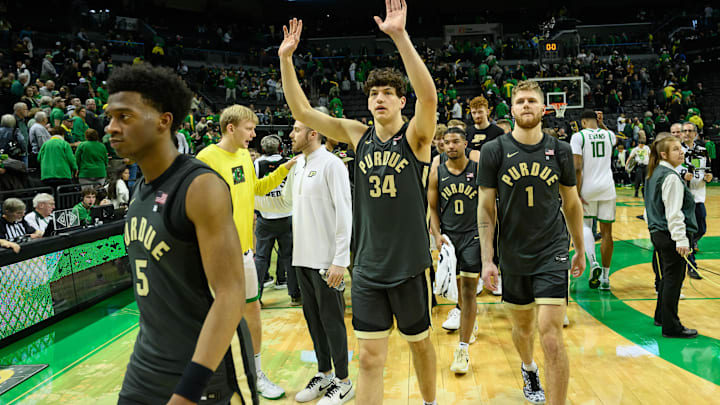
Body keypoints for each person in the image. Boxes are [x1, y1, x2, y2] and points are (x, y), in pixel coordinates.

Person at [278, 1, 439, 402]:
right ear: (366, 102)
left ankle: (431, 401)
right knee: (368, 358)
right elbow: (301, 110)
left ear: (401, 101)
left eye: (388, 93)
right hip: (366, 267)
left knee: (420, 344)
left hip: (408, 265)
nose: (379, 98)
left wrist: (400, 37)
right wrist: (285, 60)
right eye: (374, 93)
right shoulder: (356, 134)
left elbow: (430, 97)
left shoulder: (416, 138)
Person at [106, 64, 258, 405]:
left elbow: (232, 295)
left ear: (164, 121)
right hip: (145, 368)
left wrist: (188, 391)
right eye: (111, 117)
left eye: (125, 116)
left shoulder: (199, 187)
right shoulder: (141, 189)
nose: (111, 127)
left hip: (199, 374)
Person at [476, 80, 585, 405]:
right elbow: (485, 209)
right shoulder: (493, 151)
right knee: (523, 330)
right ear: (511, 108)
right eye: (520, 101)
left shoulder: (561, 150)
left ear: (543, 108)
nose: (526, 105)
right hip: (512, 253)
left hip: (552, 251)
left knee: (551, 336)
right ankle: (528, 367)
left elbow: (572, 203)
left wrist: (579, 248)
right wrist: (487, 258)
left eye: (532, 101)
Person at [196, 104, 294, 401]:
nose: (254, 134)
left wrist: (285, 169)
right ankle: (209, 380)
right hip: (216, 256)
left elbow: (257, 189)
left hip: (245, 252)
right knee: (217, 319)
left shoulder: (243, 157)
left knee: (253, 310)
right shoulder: (206, 158)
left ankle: (256, 373)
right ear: (231, 128)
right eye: (249, 129)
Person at [255, 118, 354, 405]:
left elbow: (345, 213)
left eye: (296, 129)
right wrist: (246, 199)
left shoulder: (332, 164)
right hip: (301, 259)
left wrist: (339, 260)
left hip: (326, 261)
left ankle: (344, 382)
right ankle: (325, 373)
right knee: (314, 321)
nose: (291, 134)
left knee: (332, 321)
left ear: (313, 133)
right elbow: (285, 204)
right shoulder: (297, 165)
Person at [428, 127, 481, 374]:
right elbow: (433, 210)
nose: (450, 146)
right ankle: (470, 320)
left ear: (465, 143)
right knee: (460, 293)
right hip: (450, 240)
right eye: (446, 142)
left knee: (469, 291)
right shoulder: (436, 172)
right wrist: (437, 236)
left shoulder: (477, 168)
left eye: (455, 141)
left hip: (473, 236)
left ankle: (463, 349)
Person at [644, 136, 698, 338]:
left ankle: (661, 316)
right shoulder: (671, 177)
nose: (681, 151)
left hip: (658, 233)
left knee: (667, 278)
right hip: (669, 235)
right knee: (674, 280)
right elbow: (674, 213)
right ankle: (671, 326)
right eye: (675, 149)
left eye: (680, 148)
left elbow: (649, 209)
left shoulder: (653, 173)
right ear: (664, 154)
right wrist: (681, 239)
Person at [570, 110, 617, 291]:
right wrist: (602, 123)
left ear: (583, 122)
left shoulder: (578, 137)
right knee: (607, 233)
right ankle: (605, 278)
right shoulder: (609, 134)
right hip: (607, 188)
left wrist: (577, 191)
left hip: (588, 188)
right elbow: (612, 138)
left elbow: (577, 167)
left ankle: (593, 262)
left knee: (584, 227)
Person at [253, 134, 298, 304]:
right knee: (290, 257)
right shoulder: (289, 161)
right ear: (280, 147)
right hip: (287, 215)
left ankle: (257, 297)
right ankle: (294, 295)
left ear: (263, 149)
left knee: (262, 258)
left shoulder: (257, 163)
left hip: (265, 217)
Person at [678, 122, 712, 280]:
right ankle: (691, 265)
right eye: (684, 131)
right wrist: (683, 175)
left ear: (696, 134)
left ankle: (687, 245)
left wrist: (709, 177)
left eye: (690, 131)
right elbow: (673, 169)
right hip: (684, 197)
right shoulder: (677, 150)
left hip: (699, 195)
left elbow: (708, 170)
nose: (686, 133)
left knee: (702, 228)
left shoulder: (703, 151)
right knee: (690, 230)